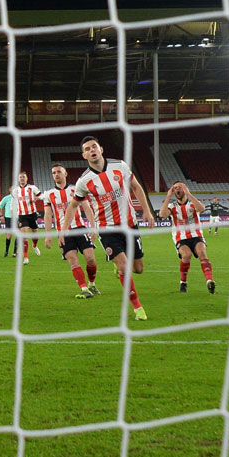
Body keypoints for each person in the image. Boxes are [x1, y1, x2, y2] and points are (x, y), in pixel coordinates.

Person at [62, 136, 155, 321]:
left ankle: (118, 267)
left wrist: (147, 211)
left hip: (130, 225)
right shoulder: (83, 181)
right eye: (87, 149)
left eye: (94, 146)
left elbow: (136, 187)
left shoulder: (120, 166)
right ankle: (138, 307)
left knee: (138, 269)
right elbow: (72, 206)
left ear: (101, 149)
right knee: (123, 267)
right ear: (83, 155)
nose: (91, 150)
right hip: (107, 229)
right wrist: (64, 229)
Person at [42, 164, 100, 298]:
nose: (56, 174)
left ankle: (92, 284)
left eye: (59, 172)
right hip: (63, 232)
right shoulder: (48, 194)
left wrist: (93, 227)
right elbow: (47, 215)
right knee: (73, 260)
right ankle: (84, 288)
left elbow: (87, 208)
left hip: (80, 229)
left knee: (91, 259)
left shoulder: (76, 189)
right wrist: (48, 235)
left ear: (65, 174)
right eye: (54, 173)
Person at [159, 182, 216, 294]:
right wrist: (168, 196)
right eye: (175, 188)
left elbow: (201, 209)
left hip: (197, 235)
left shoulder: (192, 203)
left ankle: (209, 281)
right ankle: (183, 282)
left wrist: (189, 193)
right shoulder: (172, 206)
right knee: (186, 255)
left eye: (179, 187)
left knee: (202, 253)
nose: (177, 189)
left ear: (185, 189)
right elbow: (162, 214)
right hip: (181, 238)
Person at [11, 171, 42, 265]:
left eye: (23, 177)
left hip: (32, 214)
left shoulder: (32, 188)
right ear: (18, 179)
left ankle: (34, 245)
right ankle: (26, 257)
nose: (22, 178)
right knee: (24, 236)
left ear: (27, 178)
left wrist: (36, 199)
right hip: (22, 215)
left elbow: (41, 196)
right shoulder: (15, 191)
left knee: (35, 235)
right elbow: (14, 202)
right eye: (20, 177)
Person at [0, 191, 15, 257]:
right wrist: (1, 215)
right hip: (9, 218)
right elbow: (0, 206)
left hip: (18, 217)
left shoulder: (19, 197)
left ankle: (15, 252)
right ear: (10, 191)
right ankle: (6, 251)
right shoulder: (6, 198)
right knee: (9, 235)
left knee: (19, 234)